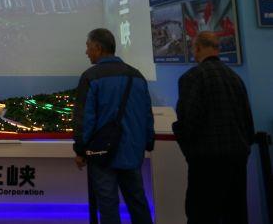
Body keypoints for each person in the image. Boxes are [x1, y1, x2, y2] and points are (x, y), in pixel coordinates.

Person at [73, 28, 154, 224]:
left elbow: (85, 118)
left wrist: (80, 149)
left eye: (88, 47)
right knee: (138, 202)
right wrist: (148, 142)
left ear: (98, 48)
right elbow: (146, 114)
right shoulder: (137, 76)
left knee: (108, 206)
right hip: (132, 152)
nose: (86, 52)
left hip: (102, 155)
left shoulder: (90, 77)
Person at [172, 31, 254, 224]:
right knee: (235, 214)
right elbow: (248, 123)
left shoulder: (192, 78)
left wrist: (189, 151)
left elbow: (188, 122)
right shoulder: (235, 78)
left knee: (201, 215)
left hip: (206, 162)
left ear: (198, 48)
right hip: (237, 159)